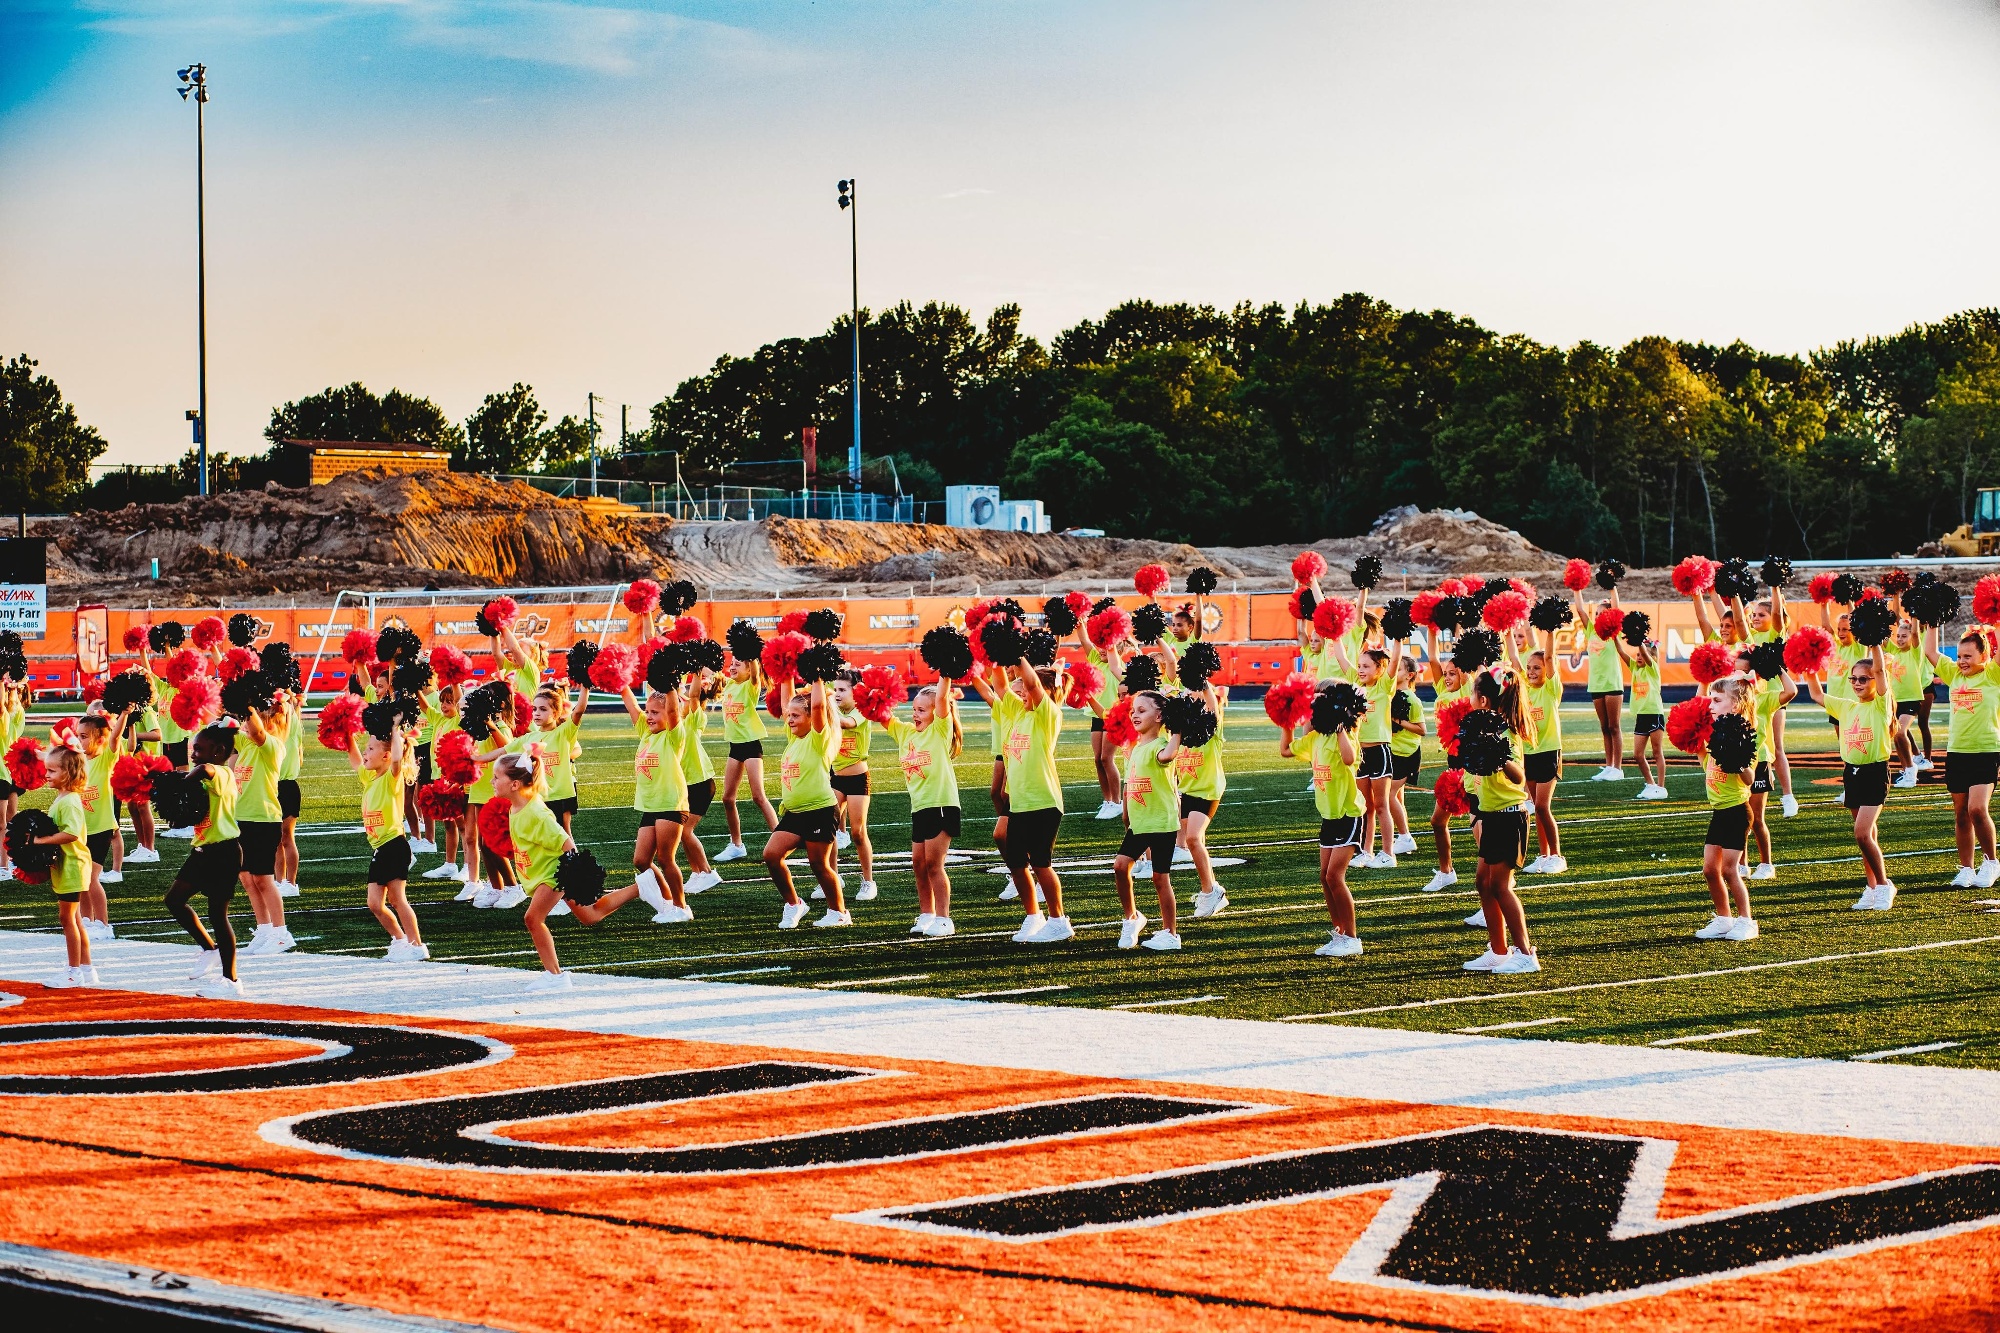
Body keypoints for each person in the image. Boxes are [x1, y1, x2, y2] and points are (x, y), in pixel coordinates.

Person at [503, 750, 645, 992]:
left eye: (497, 777)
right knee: (589, 916)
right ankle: (641, 887)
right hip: (546, 873)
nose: (492, 781)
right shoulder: (517, 807)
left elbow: (567, 843)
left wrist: (577, 877)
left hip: (555, 874)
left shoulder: (536, 813)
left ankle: (555, 976)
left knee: (532, 918)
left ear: (514, 784)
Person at [1806, 640, 1896, 910]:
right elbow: (1816, 694)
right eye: (1853, 679)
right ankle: (1871, 887)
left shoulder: (1880, 705)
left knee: (1862, 834)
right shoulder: (1846, 706)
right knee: (1867, 837)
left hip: (1874, 772)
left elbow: (1880, 671)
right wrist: (1809, 666)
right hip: (1852, 773)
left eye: (1863, 679)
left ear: (1875, 680)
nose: (1857, 683)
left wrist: (1875, 644)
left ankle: (1884, 885)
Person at [1278, 686, 1366, 957]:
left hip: (1348, 814)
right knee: (1324, 877)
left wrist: (1340, 728)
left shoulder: (1346, 735)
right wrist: (1286, 721)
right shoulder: (1315, 739)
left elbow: (1350, 758)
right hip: (1328, 816)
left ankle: (1352, 938)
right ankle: (1339, 934)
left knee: (1334, 876)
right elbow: (1286, 750)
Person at [1463, 670, 1540, 973]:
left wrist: (1500, 755)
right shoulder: (1483, 729)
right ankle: (1498, 951)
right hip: (1492, 814)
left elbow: (1519, 777)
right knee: (1483, 883)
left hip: (1509, 816)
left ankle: (1525, 953)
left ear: (1483, 700)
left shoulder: (1506, 734)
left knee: (1500, 885)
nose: (1470, 698)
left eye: (1473, 693)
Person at [992, 658, 1073, 942]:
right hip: (1019, 802)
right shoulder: (1017, 712)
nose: (1023, 693)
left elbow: (1033, 684)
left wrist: (1017, 656)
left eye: (1027, 690)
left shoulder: (1047, 714)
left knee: (1040, 863)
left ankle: (1058, 920)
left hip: (1044, 801)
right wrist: (996, 657)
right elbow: (1000, 686)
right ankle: (1033, 916)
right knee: (1016, 863)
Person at [763, 676, 848, 928]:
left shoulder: (818, 739)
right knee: (771, 855)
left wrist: (817, 676)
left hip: (820, 811)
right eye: (789, 716)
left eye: (796, 716)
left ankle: (839, 912)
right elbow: (785, 701)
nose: (789, 720)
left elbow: (820, 706)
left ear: (812, 717)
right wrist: (785, 672)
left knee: (819, 865)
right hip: (795, 813)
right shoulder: (794, 739)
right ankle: (794, 904)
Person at [169, 724, 247, 996]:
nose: (193, 755)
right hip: (202, 851)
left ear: (218, 751)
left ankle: (232, 981)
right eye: (192, 750)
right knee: (174, 900)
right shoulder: (205, 777)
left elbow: (204, 769)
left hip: (224, 852)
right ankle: (209, 949)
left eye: (199, 749)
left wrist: (181, 782)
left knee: (218, 915)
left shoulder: (222, 773)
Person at [1924, 623, 2000, 888]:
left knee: (1977, 809)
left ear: (1984, 655)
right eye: (1959, 656)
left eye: (1968, 656)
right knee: (1961, 814)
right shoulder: (1954, 674)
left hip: (1986, 751)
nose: (1962, 661)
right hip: (1957, 752)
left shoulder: (1993, 675)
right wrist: (1932, 622)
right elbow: (1930, 651)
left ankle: (1991, 862)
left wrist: (1996, 621)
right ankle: (1966, 868)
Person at [884, 682, 962, 937]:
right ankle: (927, 914)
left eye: (921, 710)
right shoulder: (906, 733)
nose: (915, 714)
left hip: (941, 804)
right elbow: (881, 714)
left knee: (933, 865)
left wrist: (945, 675)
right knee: (918, 864)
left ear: (936, 712)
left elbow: (942, 699)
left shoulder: (939, 730)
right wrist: (869, 691)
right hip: (919, 807)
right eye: (914, 709)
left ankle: (944, 919)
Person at [1113, 689, 1185, 951]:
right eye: (1134, 710)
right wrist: (1126, 812)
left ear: (1160, 716)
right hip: (1140, 823)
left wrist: (1178, 729)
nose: (1135, 714)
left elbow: (1168, 755)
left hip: (1162, 823)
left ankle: (1170, 934)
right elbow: (1131, 783)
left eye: (1142, 711)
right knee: (1120, 866)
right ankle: (1132, 918)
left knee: (1160, 878)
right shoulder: (1136, 748)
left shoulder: (1159, 746)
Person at [348, 719, 426, 961]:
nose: (365, 752)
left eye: (371, 748)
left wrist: (394, 730)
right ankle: (401, 941)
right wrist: (347, 735)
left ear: (386, 755)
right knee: (374, 903)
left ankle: (416, 945)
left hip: (394, 845)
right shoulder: (370, 778)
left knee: (397, 899)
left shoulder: (391, 778)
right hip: (380, 848)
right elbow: (355, 761)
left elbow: (397, 760)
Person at [618, 676, 693, 923]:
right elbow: (631, 704)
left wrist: (670, 684)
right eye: (648, 711)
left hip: (671, 803)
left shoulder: (673, 736)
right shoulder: (646, 733)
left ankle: (681, 907)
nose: (649, 717)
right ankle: (668, 902)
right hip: (650, 806)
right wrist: (618, 679)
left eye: (655, 713)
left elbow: (673, 711)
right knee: (641, 860)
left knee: (665, 858)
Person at [1692, 675, 1760, 941]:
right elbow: (1705, 764)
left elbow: (1749, 779)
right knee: (1710, 870)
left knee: (1729, 870)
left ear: (1735, 705)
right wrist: (1695, 741)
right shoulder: (1714, 734)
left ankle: (1747, 921)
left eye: (1717, 700)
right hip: (1719, 811)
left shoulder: (1742, 734)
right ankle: (1723, 919)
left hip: (1737, 811)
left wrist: (1737, 760)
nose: (1711, 704)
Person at [231, 695, 294, 956]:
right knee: (247, 878)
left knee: (263, 879)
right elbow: (227, 730)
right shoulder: (245, 744)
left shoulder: (273, 746)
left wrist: (246, 703)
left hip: (264, 820)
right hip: (242, 819)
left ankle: (281, 934)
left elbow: (256, 731)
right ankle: (265, 929)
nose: (246, 724)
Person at [34, 743, 96, 987]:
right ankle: (86, 969)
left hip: (72, 866)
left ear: (68, 773)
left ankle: (73, 972)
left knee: (67, 919)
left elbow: (71, 833)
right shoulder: (64, 797)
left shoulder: (69, 801)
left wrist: (40, 841)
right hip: (68, 866)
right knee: (76, 919)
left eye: (52, 771)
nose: (47, 774)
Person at [1507, 622, 1566, 874]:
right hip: (1528, 753)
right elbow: (1513, 658)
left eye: (1537, 668)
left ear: (1547, 670)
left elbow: (1550, 656)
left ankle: (1557, 856)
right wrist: (1505, 630)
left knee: (1542, 806)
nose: (1531, 671)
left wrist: (1550, 631)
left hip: (1549, 752)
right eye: (1529, 667)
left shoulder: (1551, 689)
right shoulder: (1524, 687)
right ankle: (1543, 856)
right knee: (1534, 809)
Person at [1421, 629, 1477, 895]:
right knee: (1437, 821)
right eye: (1446, 674)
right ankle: (1446, 872)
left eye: (1453, 673)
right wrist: (1432, 628)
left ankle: (1497, 876)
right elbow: (1433, 658)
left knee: (1479, 826)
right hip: (1453, 764)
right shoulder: (1442, 691)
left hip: (1473, 764)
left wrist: (1460, 629)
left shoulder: (1467, 690)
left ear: (1464, 674)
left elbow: (1463, 660)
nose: (1448, 677)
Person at [1736, 650, 1798, 882]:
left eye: (1744, 671)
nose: (1739, 676)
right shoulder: (1730, 697)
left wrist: (1777, 668)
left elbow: (1791, 691)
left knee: (1756, 818)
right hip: (1737, 763)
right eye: (1736, 671)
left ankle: (1766, 864)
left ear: (1756, 674)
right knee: (1739, 817)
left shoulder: (1763, 698)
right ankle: (1741, 864)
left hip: (1760, 762)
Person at [75, 705, 134, 940]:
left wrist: (125, 714)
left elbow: (116, 737)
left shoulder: (105, 758)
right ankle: (86, 920)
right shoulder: (80, 761)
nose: (79, 741)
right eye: (78, 735)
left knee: (91, 878)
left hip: (101, 827)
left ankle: (104, 924)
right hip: (81, 828)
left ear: (100, 739)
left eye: (84, 736)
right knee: (80, 878)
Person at [716, 653, 779, 861]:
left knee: (758, 796)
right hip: (735, 746)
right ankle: (736, 845)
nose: (732, 667)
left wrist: (750, 653)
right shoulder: (728, 685)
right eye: (731, 664)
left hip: (751, 745)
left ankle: (781, 839)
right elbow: (711, 673)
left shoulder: (750, 686)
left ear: (750, 669)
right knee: (727, 798)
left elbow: (755, 673)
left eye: (738, 664)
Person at [670, 668, 725, 895]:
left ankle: (708, 872)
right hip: (686, 784)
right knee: (681, 832)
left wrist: (696, 671)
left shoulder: (694, 718)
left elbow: (692, 695)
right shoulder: (677, 723)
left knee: (685, 831)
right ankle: (697, 872)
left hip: (700, 783)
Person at [828, 669, 878, 903]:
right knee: (828, 830)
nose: (837, 694)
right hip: (836, 777)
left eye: (842, 690)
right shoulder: (834, 709)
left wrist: (824, 707)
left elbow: (847, 724)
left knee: (858, 832)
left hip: (858, 778)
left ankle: (868, 881)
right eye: (835, 689)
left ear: (855, 692)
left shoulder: (861, 711)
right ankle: (833, 878)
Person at [1574, 585, 1625, 780]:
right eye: (1596, 614)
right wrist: (1576, 588)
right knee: (1604, 727)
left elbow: (1617, 609)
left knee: (1614, 727)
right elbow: (1580, 610)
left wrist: (1612, 588)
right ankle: (1609, 765)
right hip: (1596, 685)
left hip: (1612, 683)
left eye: (1601, 614)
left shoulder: (1613, 634)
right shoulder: (1591, 632)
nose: (1597, 617)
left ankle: (1618, 768)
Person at [1078, 612, 1126, 819]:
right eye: (1101, 646)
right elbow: (1084, 640)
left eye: (1107, 647)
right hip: (1098, 715)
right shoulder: (1095, 659)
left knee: (1107, 758)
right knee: (1098, 759)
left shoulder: (1120, 668)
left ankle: (1117, 801)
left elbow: (1111, 651)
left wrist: (1110, 639)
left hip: (1115, 717)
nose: (1102, 650)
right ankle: (1107, 800)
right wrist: (1080, 623)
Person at [1615, 625, 1669, 799]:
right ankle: (1650, 784)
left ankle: (1661, 787)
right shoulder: (1635, 669)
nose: (1638, 657)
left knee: (1656, 751)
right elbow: (1621, 652)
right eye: (1637, 654)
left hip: (1654, 713)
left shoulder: (1652, 670)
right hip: (1642, 716)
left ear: (1652, 657)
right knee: (1638, 754)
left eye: (1641, 654)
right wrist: (1613, 635)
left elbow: (1646, 654)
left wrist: (1639, 641)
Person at [1385, 652, 1425, 860]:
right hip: (1393, 751)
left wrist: (1398, 721)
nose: (1393, 671)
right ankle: (1403, 836)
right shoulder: (1391, 694)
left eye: (1398, 669)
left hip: (1406, 753)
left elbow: (1422, 730)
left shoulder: (1412, 699)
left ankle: (1405, 836)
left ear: (1409, 675)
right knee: (1398, 797)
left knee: (1388, 795)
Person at [1884, 612, 1931, 789]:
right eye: (1898, 636)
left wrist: (1915, 614)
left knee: (1900, 732)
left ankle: (1911, 768)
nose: (1900, 639)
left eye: (1904, 636)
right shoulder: (1894, 651)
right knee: (1896, 737)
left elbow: (1916, 633)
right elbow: (1882, 638)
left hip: (1911, 699)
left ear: (1911, 637)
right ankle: (1907, 771)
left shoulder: (1915, 652)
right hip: (1895, 701)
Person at [273, 691, 304, 897]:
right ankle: (278, 881)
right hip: (270, 786)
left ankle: (291, 883)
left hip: (287, 786)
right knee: (274, 839)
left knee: (286, 836)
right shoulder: (268, 730)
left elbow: (290, 706)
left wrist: (291, 699)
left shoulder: (292, 727)